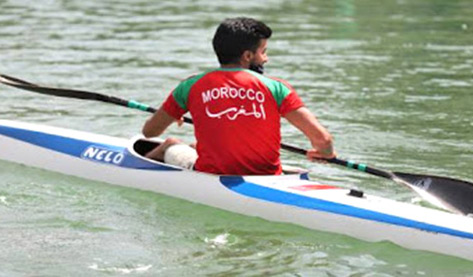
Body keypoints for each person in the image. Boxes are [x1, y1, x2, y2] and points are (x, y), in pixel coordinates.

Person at [142, 17, 336, 175]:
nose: (266, 58)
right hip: (267, 177)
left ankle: (155, 158)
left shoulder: (190, 86)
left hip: (210, 174)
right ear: (248, 56)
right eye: (263, 52)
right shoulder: (277, 88)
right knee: (195, 146)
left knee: (173, 144)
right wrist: (325, 153)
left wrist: (177, 111)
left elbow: (150, 132)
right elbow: (323, 140)